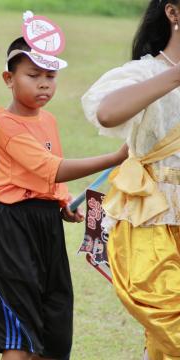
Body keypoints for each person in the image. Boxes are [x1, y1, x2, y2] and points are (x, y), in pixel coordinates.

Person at [0, 11, 128, 360]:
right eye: (33, 76)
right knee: (20, 330)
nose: (44, 84)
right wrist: (114, 157)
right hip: (11, 228)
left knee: (55, 320)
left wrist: (61, 201)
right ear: (8, 78)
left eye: (51, 76)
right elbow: (53, 167)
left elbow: (46, 177)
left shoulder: (48, 120)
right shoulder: (6, 125)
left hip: (46, 225)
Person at [82, 1, 180, 359]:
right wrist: (175, 75)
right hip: (151, 217)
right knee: (168, 317)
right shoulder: (144, 73)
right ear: (173, 13)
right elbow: (106, 112)